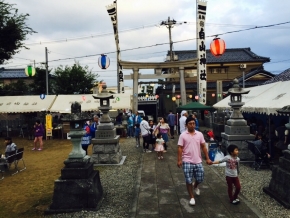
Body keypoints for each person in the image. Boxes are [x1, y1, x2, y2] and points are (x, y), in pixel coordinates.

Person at [177, 116, 212, 206]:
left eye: (193, 123)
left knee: (200, 177)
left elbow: (203, 146)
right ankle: (192, 197)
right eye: (190, 124)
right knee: (188, 180)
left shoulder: (199, 134)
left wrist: (207, 158)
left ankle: (195, 185)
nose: (192, 125)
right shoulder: (183, 135)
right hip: (187, 160)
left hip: (198, 160)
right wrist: (179, 160)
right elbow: (180, 148)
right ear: (186, 125)